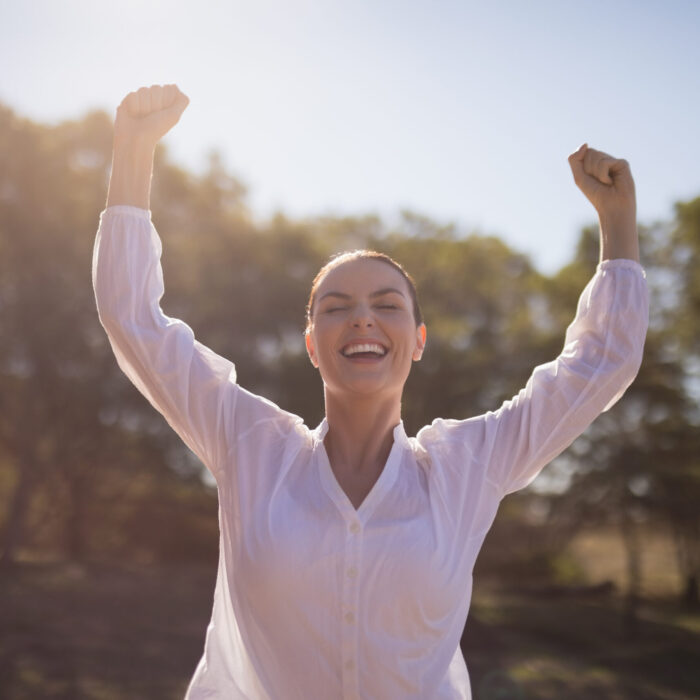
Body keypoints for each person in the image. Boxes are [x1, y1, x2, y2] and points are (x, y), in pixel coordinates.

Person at [92, 84, 649, 699]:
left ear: (417, 340)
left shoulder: (466, 470)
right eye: (336, 308)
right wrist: (133, 150)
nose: (362, 318)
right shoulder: (249, 446)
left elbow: (602, 364)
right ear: (311, 344)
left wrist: (616, 222)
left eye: (386, 305)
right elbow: (132, 319)